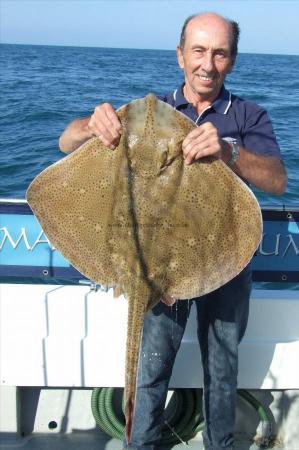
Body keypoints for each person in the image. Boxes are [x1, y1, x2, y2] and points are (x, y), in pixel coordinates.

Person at [59, 12, 287, 450]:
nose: (208, 64)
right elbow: (66, 142)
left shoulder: (248, 116)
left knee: (222, 368)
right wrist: (92, 126)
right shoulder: (150, 114)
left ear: (233, 60)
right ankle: (138, 444)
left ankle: (219, 444)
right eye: (198, 51)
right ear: (180, 55)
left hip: (224, 261)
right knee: (150, 367)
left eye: (220, 53)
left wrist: (227, 149)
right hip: (152, 261)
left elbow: (277, 179)